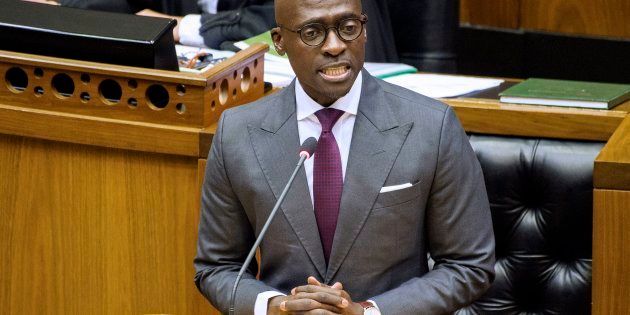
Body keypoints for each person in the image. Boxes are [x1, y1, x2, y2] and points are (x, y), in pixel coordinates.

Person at [194, 0, 496, 313]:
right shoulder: (237, 132)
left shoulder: (432, 126)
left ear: (364, 31)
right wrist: (275, 307)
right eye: (312, 32)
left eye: (348, 28)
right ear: (279, 42)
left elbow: (469, 265)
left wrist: (368, 312)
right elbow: (217, 268)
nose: (335, 46)